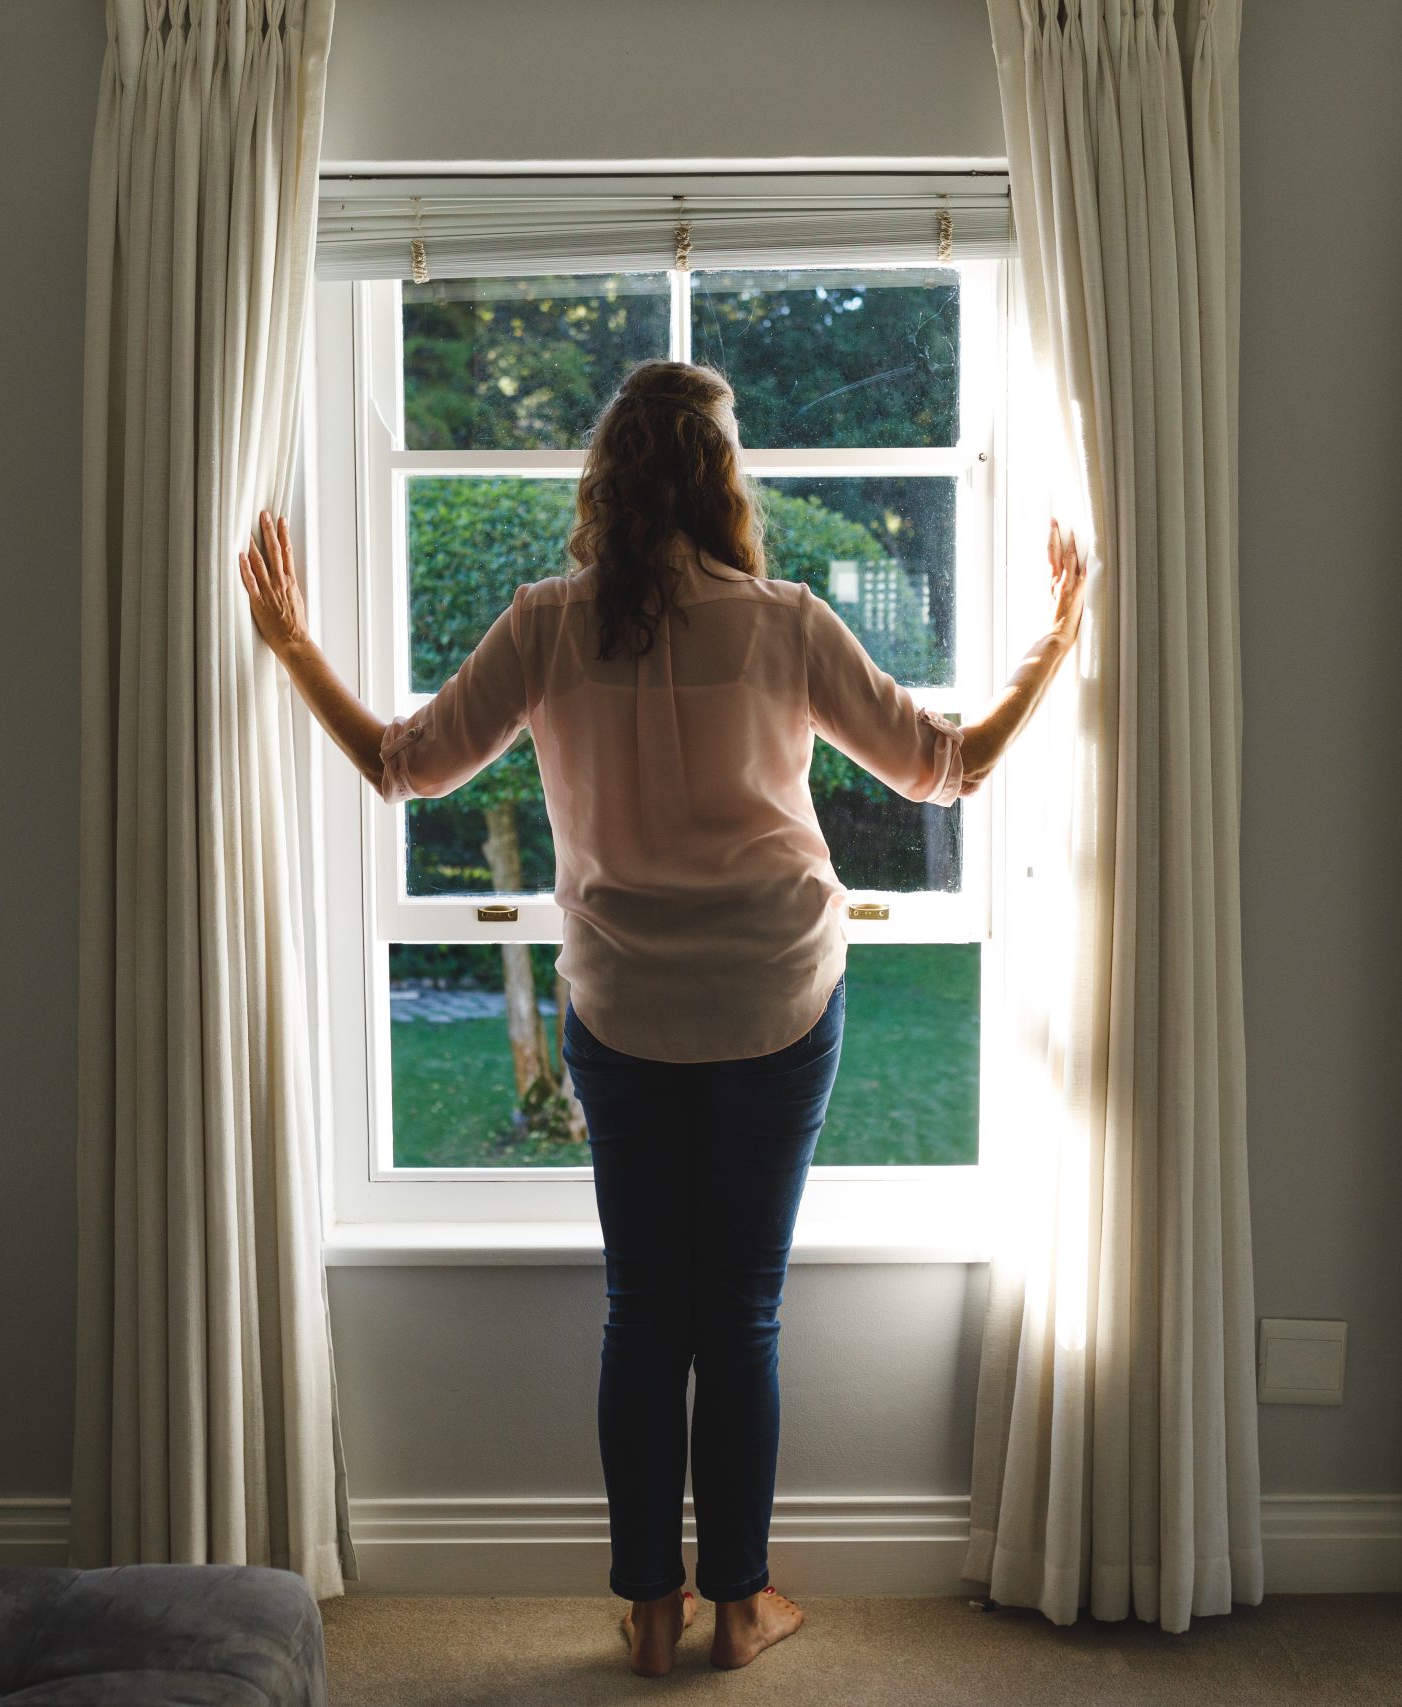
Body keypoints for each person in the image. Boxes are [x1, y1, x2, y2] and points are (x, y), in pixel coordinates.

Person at [239, 359, 1086, 1675]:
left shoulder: (544, 623)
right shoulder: (784, 620)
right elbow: (946, 767)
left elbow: (401, 766)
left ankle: (647, 1607)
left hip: (623, 1008)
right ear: (720, 480)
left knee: (647, 1310)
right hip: (776, 999)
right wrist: (1051, 644)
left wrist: (293, 647)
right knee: (738, 1312)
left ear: (608, 480)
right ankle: (740, 1604)